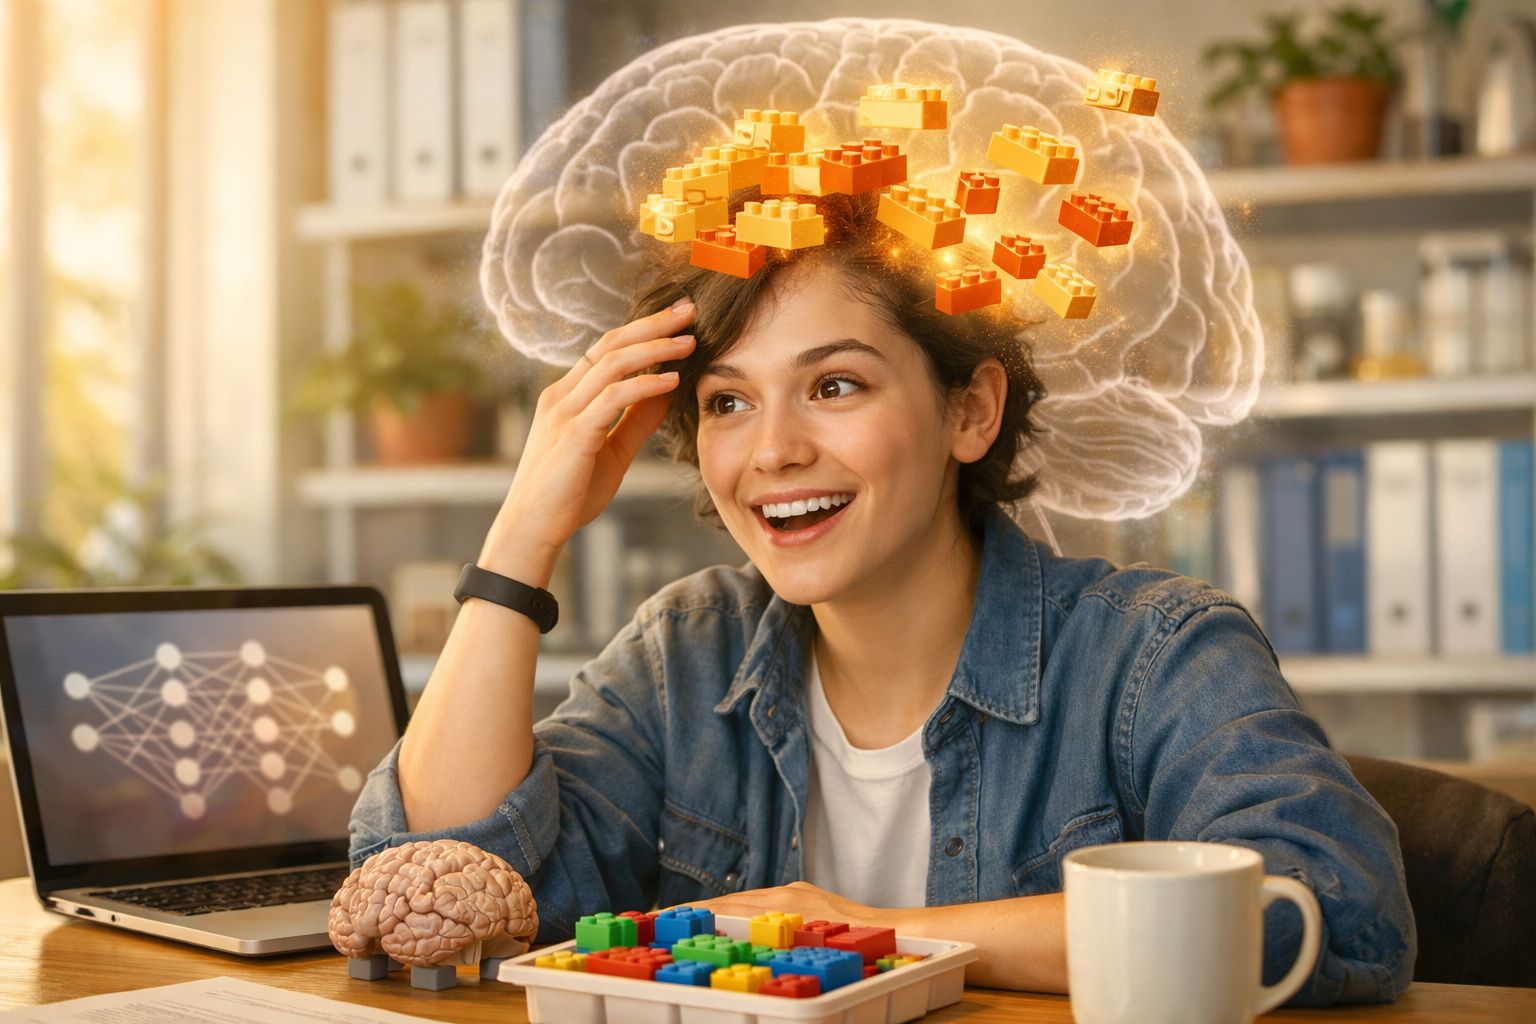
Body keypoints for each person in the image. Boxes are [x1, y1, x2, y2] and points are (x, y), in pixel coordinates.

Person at [349, 191, 1414, 1004]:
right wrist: (521, 537)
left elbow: (1333, 907)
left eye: (835, 385)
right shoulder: (689, 650)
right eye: (728, 401)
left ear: (970, 411)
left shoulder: (1155, 651)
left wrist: (868, 933)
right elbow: (440, 883)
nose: (774, 450)